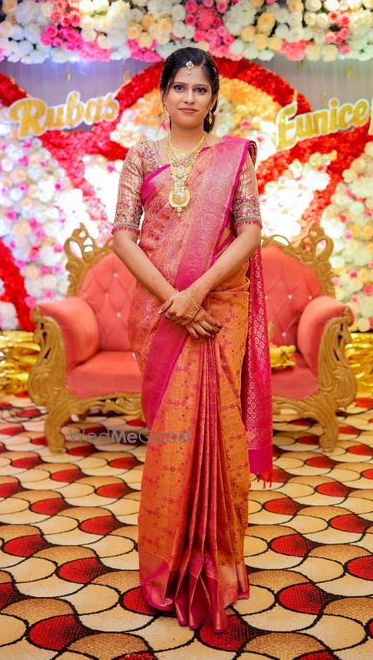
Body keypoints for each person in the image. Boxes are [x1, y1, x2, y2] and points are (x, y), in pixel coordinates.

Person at [111, 47, 273, 633]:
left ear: (213, 99)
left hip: (218, 309)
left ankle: (216, 561)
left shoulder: (234, 157)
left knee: (216, 439)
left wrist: (198, 292)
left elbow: (250, 232)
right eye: (179, 87)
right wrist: (174, 301)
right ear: (162, 94)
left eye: (199, 89)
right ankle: (169, 562)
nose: (188, 97)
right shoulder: (141, 155)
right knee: (172, 440)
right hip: (162, 314)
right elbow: (122, 235)